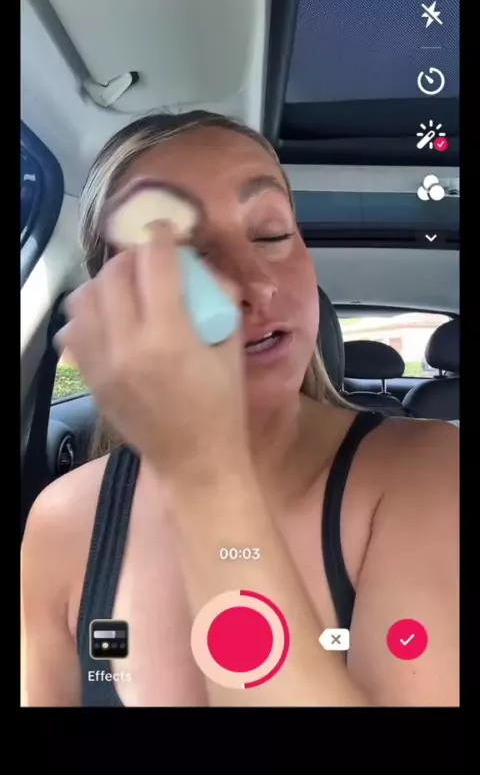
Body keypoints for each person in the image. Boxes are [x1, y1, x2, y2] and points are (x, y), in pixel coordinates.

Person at [20, 111, 459, 707]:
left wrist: (203, 470)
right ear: (115, 303)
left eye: (272, 233)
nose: (254, 282)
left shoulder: (428, 470)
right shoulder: (61, 521)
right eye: (181, 251)